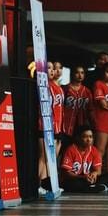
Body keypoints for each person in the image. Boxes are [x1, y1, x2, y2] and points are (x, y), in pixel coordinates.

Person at [52, 125, 108, 193]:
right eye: (85, 137)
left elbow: (98, 171)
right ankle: (100, 187)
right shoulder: (70, 150)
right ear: (78, 138)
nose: (89, 140)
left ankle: (95, 187)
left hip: (89, 180)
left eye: (90, 137)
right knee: (73, 184)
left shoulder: (94, 150)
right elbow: (66, 173)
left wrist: (94, 174)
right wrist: (83, 177)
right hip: (75, 179)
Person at [36, 61, 65, 195]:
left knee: (52, 159)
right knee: (44, 157)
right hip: (45, 126)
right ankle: (38, 184)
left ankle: (48, 184)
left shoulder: (58, 87)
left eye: (53, 69)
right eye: (48, 68)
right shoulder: (43, 86)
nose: (52, 71)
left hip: (57, 128)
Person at [61, 65, 91, 146]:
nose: (80, 75)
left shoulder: (87, 91)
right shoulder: (65, 89)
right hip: (66, 125)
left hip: (81, 125)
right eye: (77, 72)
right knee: (64, 149)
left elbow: (90, 109)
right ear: (72, 74)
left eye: (82, 73)